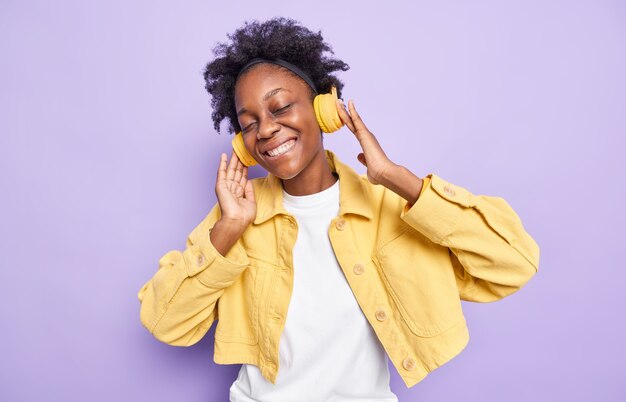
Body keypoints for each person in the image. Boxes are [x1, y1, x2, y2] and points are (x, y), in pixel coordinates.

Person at [138, 17, 540, 402]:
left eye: (280, 108)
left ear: (323, 109)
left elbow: (514, 263)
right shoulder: (238, 216)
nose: (265, 130)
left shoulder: (393, 208)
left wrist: (399, 179)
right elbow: (165, 324)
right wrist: (228, 229)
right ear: (244, 145)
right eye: (249, 124)